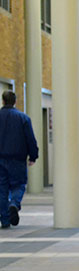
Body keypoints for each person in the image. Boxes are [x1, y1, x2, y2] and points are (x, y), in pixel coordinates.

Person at [0, 91, 38, 229]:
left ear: (3, 101)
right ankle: (14, 204)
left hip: (0, 159)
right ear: (15, 101)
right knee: (19, 185)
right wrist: (33, 156)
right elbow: (30, 139)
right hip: (18, 159)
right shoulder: (23, 118)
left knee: (2, 189)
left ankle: (4, 220)